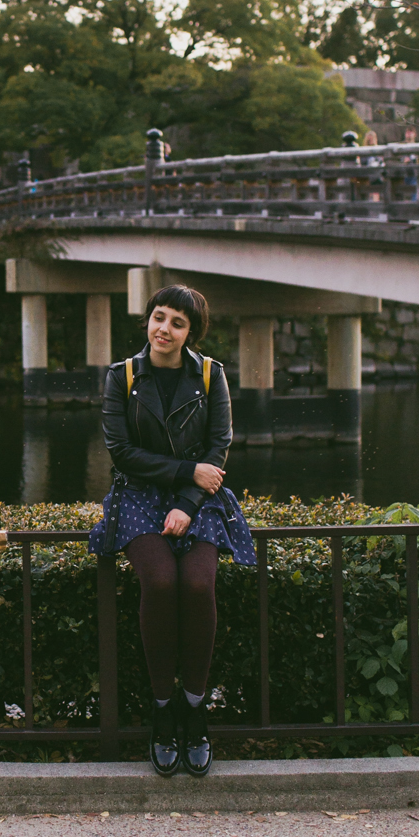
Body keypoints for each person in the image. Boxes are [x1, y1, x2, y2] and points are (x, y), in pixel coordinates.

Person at [89, 285, 256, 777]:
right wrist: (186, 474)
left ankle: (195, 706)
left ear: (190, 333)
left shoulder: (210, 375)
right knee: (160, 582)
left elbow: (219, 444)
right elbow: (120, 452)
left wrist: (188, 500)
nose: (164, 329)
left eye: (177, 323)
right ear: (148, 320)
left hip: (199, 499)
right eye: (158, 318)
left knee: (198, 583)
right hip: (140, 494)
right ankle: (163, 709)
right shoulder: (121, 376)